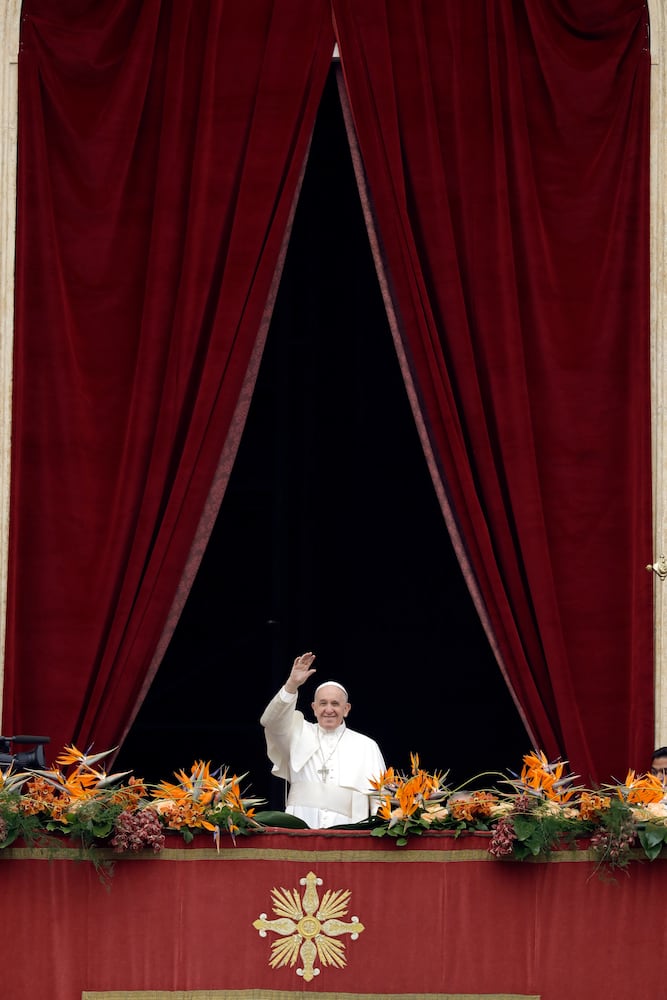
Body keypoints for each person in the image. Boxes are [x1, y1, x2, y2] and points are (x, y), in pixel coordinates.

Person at [260, 651, 386, 828]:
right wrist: (291, 685)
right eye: (323, 703)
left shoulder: (367, 746)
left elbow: (380, 800)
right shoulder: (297, 732)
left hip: (350, 833)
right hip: (300, 829)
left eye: (335, 704)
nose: (329, 709)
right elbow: (270, 721)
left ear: (346, 709)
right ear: (314, 708)